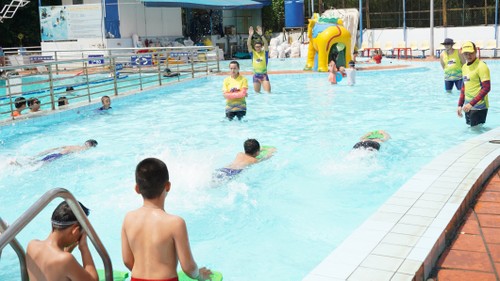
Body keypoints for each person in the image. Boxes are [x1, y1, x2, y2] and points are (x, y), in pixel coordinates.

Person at [121, 158, 212, 281]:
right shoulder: (175, 223)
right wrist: (200, 275)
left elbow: (127, 260)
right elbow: (188, 267)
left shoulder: (128, 218)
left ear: (137, 188)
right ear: (168, 186)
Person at [26, 201, 98, 281]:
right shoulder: (66, 260)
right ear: (75, 230)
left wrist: (67, 250)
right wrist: (84, 247)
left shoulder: (32, 245)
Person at [457, 41, 491, 127]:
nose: (468, 56)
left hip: (479, 106)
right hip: (467, 106)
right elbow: (464, 87)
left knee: (476, 131)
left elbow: (486, 88)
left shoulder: (482, 66)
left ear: (475, 51)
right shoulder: (464, 67)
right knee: (471, 130)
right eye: (466, 54)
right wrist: (460, 104)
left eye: (471, 53)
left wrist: (471, 104)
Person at [247, 26, 271, 93]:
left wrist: (261, 35)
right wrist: (250, 35)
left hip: (264, 76)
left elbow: (266, 44)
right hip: (256, 76)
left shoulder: (264, 53)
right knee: (257, 94)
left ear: (261, 47)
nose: (258, 48)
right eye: (256, 47)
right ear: (254, 47)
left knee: (268, 93)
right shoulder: (253, 54)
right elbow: (248, 44)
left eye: (259, 46)